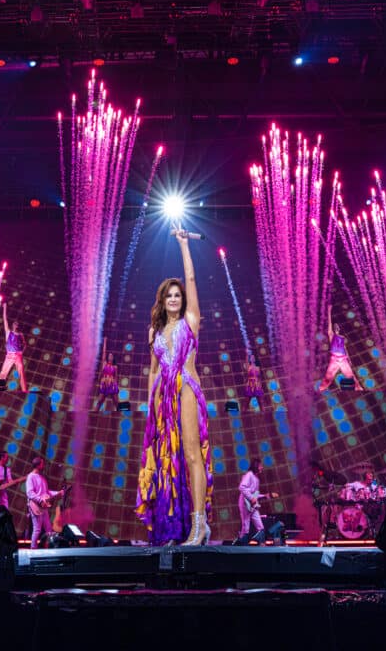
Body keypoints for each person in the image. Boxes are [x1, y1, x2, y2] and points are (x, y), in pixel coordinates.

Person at [136, 230, 214, 546]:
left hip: (186, 390)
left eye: (177, 295)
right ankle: (173, 528)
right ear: (161, 300)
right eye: (169, 295)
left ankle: (200, 526)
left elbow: (191, 281)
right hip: (163, 400)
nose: (173, 299)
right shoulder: (154, 332)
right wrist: (149, 408)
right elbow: (152, 373)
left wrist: (184, 246)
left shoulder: (190, 322)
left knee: (193, 456)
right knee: (169, 463)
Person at [318, 306, 364, 392]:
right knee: (327, 380)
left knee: (353, 380)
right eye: (334, 326)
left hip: (343, 359)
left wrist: (348, 358)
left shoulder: (342, 337)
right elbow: (329, 324)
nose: (336, 327)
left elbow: (345, 348)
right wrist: (329, 311)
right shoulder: (331, 335)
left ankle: (360, 391)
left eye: (337, 326)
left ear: (339, 328)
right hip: (334, 359)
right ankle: (319, 391)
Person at [26, 457, 65, 549]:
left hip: (43, 507)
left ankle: (51, 546)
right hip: (36, 506)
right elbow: (30, 493)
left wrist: (58, 493)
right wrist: (40, 500)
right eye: (42, 464)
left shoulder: (42, 478)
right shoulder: (31, 476)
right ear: (38, 465)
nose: (44, 466)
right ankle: (33, 549)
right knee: (37, 529)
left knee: (48, 529)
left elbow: (46, 492)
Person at [0, 303, 28, 391]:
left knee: (21, 373)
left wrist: (22, 351)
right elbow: (5, 320)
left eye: (17, 324)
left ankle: (24, 390)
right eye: (15, 323)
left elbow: (25, 344)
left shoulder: (20, 334)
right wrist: (5, 308)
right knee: (3, 373)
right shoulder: (8, 332)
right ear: (13, 325)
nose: (16, 325)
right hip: (9, 355)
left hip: (18, 355)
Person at [238, 459, 267, 539]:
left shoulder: (256, 478)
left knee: (260, 527)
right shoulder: (249, 475)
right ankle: (240, 547)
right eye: (261, 466)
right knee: (245, 527)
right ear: (256, 466)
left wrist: (265, 495)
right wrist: (251, 498)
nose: (262, 467)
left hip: (252, 505)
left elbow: (255, 495)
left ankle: (261, 546)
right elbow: (242, 487)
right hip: (245, 504)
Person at [97, 337, 119, 411]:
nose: (110, 357)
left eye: (111, 356)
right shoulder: (104, 363)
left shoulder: (115, 367)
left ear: (113, 358)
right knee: (99, 402)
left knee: (116, 403)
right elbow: (104, 352)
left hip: (112, 384)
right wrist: (105, 341)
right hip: (104, 384)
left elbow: (116, 377)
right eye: (109, 356)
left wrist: (115, 386)